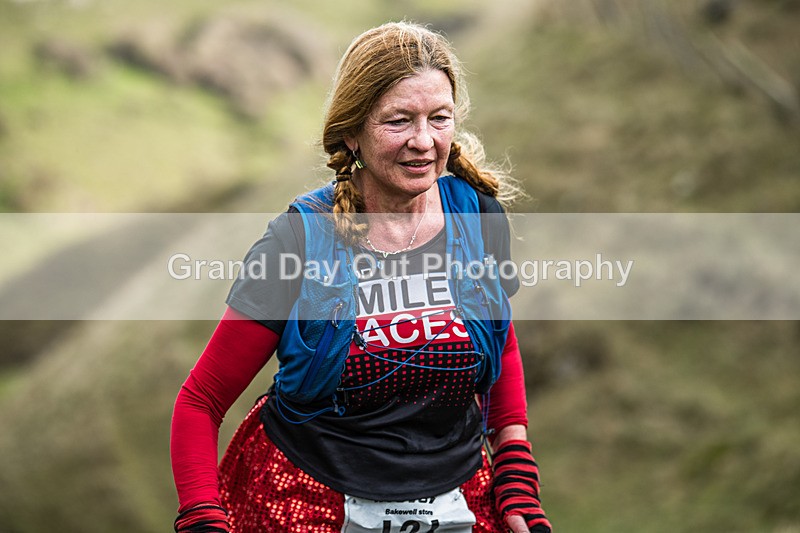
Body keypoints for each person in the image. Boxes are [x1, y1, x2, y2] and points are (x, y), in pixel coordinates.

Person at [171, 21, 553, 533]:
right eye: (399, 121)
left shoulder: (476, 217)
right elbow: (201, 401)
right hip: (303, 502)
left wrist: (515, 477)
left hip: (460, 499)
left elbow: (501, 344)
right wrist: (202, 518)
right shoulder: (299, 239)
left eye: (440, 118)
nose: (424, 141)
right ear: (351, 132)